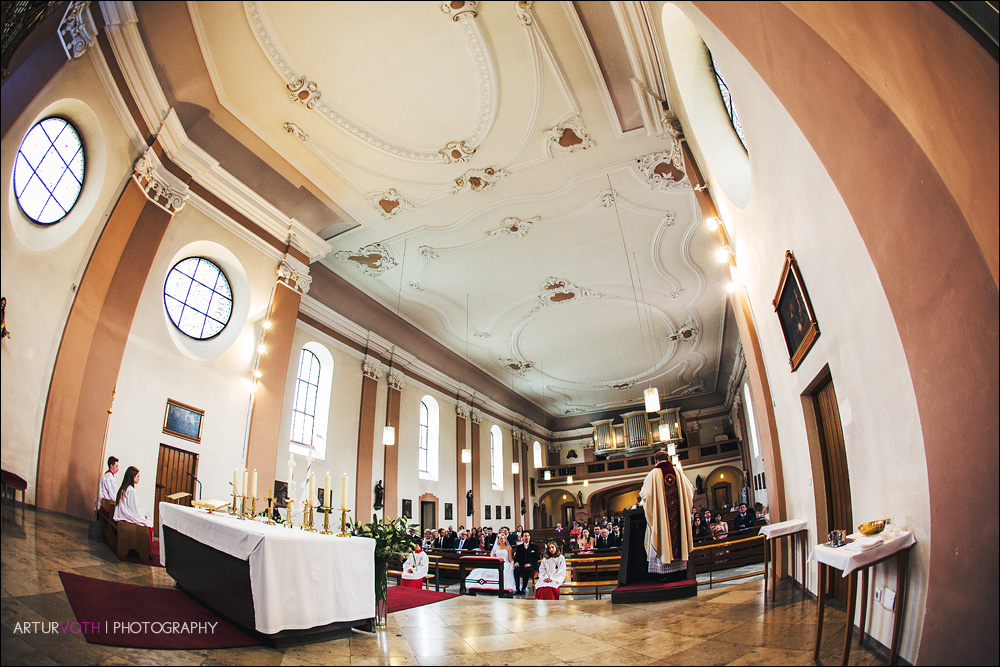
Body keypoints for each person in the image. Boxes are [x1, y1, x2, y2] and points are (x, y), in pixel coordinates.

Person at [640, 450, 695, 578]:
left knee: (663, 538)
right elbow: (690, 490)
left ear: (656, 461)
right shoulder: (678, 472)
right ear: (668, 458)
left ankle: (664, 573)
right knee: (678, 537)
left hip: (663, 520)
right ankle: (680, 572)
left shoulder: (653, 474)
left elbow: (646, 495)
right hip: (678, 518)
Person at [113, 466, 153, 557]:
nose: (139, 479)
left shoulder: (125, 487)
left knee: (144, 517)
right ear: (132, 477)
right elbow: (133, 511)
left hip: (122, 514)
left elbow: (131, 507)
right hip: (126, 516)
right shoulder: (131, 491)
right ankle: (145, 552)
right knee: (149, 526)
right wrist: (142, 516)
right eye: (138, 476)